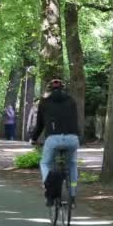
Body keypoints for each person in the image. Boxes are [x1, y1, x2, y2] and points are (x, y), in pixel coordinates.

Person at [30, 79, 80, 207]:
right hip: (72, 138)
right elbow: (75, 120)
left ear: (49, 89)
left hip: (53, 139)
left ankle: (49, 187)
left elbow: (40, 125)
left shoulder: (44, 102)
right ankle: (72, 195)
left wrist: (34, 138)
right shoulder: (71, 101)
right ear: (63, 89)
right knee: (72, 164)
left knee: (45, 163)